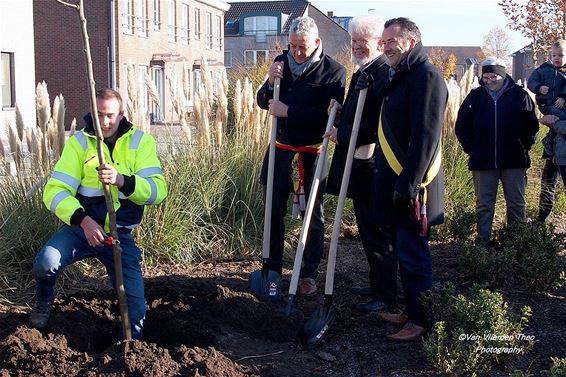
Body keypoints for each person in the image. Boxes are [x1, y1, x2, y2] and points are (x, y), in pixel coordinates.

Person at [29, 88, 168, 340]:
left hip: (119, 236)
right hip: (81, 230)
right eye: (99, 114)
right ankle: (43, 300)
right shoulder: (79, 142)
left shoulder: (141, 142)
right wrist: (82, 220)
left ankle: (129, 348)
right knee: (45, 263)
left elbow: (158, 191)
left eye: (110, 115)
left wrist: (122, 180)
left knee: (136, 310)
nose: (104, 121)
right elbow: (54, 191)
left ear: (121, 114)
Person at [368, 17, 447, 342]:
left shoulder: (427, 77)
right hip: (399, 184)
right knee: (404, 249)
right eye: (383, 42)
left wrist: (410, 185)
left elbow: (425, 138)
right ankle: (411, 309)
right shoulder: (401, 75)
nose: (384, 46)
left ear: (410, 43)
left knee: (415, 254)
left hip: (415, 188)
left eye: (390, 41)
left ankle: (421, 320)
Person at [256, 16, 346, 296]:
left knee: (313, 215)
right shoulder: (280, 62)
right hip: (281, 149)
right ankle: (272, 268)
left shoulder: (334, 71)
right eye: (292, 46)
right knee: (273, 209)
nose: (296, 52)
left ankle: (308, 274)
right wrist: (270, 82)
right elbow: (263, 101)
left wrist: (289, 111)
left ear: (317, 42)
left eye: (302, 47)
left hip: (311, 152)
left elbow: (328, 118)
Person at [325, 15, 396, 313]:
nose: (356, 46)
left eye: (362, 42)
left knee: (377, 230)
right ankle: (376, 283)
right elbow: (357, 113)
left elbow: (379, 125)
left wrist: (341, 135)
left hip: (372, 167)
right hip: (357, 166)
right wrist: (341, 112)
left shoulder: (382, 73)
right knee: (367, 228)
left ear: (378, 43)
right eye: (353, 41)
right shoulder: (362, 72)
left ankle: (387, 293)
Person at [455, 57, 539, 244]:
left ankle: (515, 244)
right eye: (486, 77)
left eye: (494, 76)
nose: (489, 81)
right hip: (483, 161)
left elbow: (531, 126)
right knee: (484, 205)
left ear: (503, 75)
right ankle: (483, 244)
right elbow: (462, 126)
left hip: (514, 160)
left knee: (516, 204)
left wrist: (524, 147)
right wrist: (472, 149)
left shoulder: (519, 95)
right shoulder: (475, 97)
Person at [527, 40, 566, 222]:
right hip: (553, 146)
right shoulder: (545, 71)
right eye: (554, 56)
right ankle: (542, 221)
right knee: (547, 184)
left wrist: (554, 122)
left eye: (561, 55)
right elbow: (532, 82)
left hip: (563, 146)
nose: (557, 59)